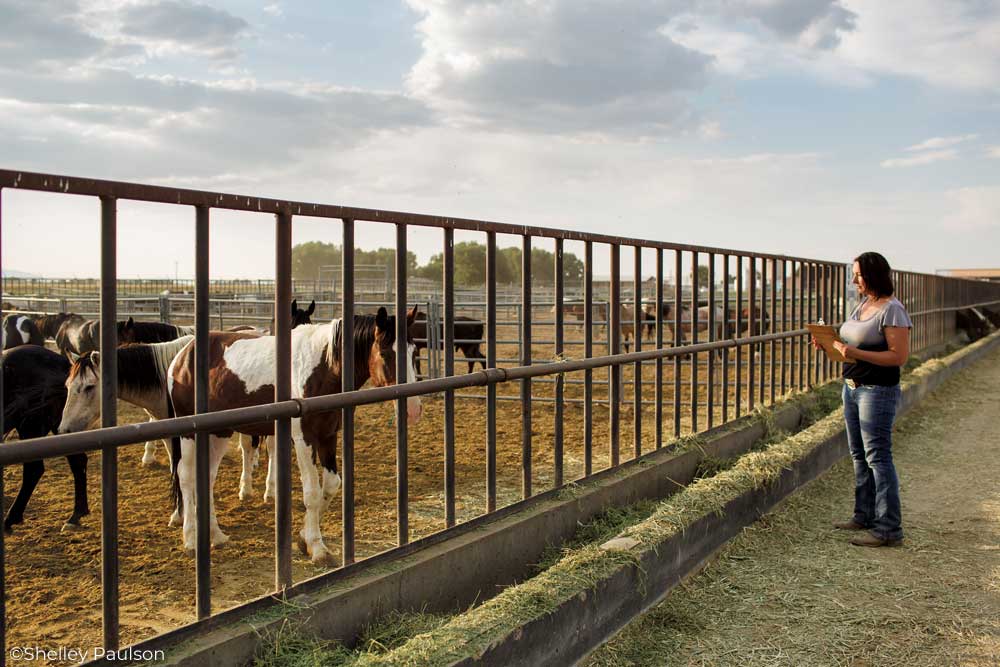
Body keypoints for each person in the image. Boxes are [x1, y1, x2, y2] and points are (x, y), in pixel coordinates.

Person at [813, 252, 912, 547]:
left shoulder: (892, 309)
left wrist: (855, 353)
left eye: (858, 274)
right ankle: (864, 515)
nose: (854, 279)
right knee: (859, 455)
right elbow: (851, 344)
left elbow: (899, 356)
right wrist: (828, 344)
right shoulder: (864, 304)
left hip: (876, 391)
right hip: (852, 387)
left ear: (872, 274)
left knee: (878, 457)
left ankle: (888, 529)